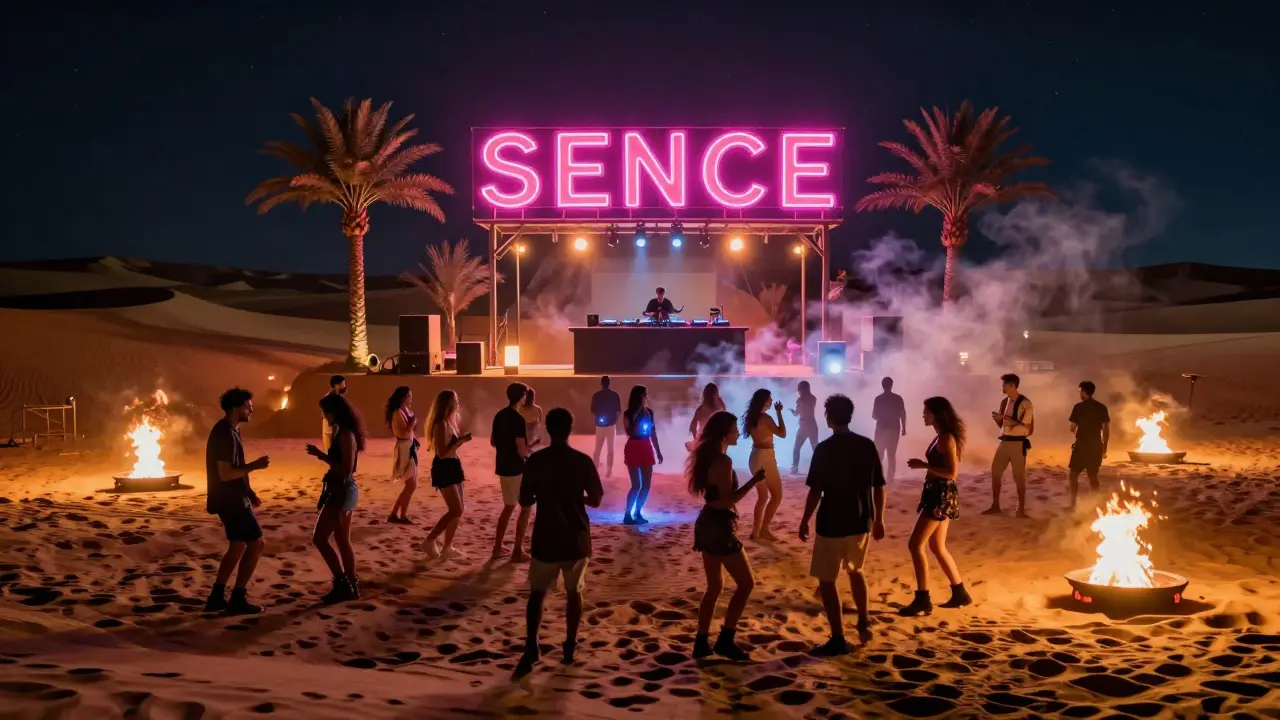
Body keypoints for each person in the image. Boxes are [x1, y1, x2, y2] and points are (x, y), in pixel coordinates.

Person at [513, 408, 605, 678]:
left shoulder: (537, 461)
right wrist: (578, 501)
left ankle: (532, 646)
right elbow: (597, 499)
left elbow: (525, 500)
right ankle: (569, 644)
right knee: (574, 593)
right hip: (575, 536)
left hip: (546, 536)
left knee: (537, 594)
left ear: (548, 431)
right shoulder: (582, 461)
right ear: (571, 429)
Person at [798, 394, 886, 655]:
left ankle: (838, 637)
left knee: (827, 581)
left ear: (828, 418)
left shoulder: (824, 449)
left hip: (831, 523)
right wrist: (879, 519)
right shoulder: (866, 445)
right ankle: (863, 619)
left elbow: (815, 491)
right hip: (860, 521)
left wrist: (805, 520)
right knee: (856, 571)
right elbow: (879, 486)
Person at [689, 411, 766, 661]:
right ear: (725, 433)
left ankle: (701, 643)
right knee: (746, 584)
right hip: (719, 526)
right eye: (734, 429)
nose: (738, 433)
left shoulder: (710, 457)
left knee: (715, 586)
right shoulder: (722, 461)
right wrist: (753, 481)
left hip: (707, 522)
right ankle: (726, 639)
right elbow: (727, 500)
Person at [899, 397, 971, 616]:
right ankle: (959, 592)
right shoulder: (940, 436)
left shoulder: (946, 438)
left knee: (915, 545)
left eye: (926, 412)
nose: (923, 415)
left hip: (940, 495)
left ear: (937, 414)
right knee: (937, 547)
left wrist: (924, 465)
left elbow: (952, 473)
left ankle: (923, 598)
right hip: (935, 492)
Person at [204, 388, 270, 615]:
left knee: (239, 544)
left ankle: (217, 596)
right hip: (229, 499)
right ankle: (237, 598)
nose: (251, 409)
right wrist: (255, 466)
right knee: (257, 543)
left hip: (233, 497)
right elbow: (225, 473)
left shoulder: (232, 430)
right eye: (247, 406)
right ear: (235, 408)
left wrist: (249, 492)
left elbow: (236, 469)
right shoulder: (223, 433)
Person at [305, 393, 366, 602]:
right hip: (339, 489)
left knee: (320, 538)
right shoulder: (341, 432)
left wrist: (322, 457)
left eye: (325, 412)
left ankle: (342, 582)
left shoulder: (346, 435)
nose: (324, 416)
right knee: (341, 540)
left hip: (342, 491)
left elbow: (346, 469)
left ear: (334, 412)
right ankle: (350, 586)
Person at [422, 390, 473, 559]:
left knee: (459, 509)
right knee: (455, 509)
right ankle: (429, 540)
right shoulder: (440, 424)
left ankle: (447, 546)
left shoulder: (450, 421)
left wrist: (459, 441)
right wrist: (460, 441)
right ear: (447, 403)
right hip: (444, 466)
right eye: (455, 400)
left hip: (454, 464)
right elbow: (442, 452)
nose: (457, 403)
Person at [985, 373, 1034, 518]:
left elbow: (1025, 424)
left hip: (1018, 443)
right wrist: (998, 419)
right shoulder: (1004, 402)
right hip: (1004, 441)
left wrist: (1003, 418)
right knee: (995, 472)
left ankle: (1021, 509)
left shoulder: (1026, 403)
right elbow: (1002, 425)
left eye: (1004, 385)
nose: (1002, 387)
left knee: (1018, 477)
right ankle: (995, 505)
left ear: (1012, 386)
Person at [492, 383, 532, 560]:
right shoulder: (518, 418)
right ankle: (517, 549)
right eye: (525, 395)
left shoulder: (499, 415)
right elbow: (521, 449)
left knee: (508, 507)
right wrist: (530, 456)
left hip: (502, 466)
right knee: (526, 508)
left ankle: (497, 548)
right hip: (517, 467)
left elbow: (493, 441)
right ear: (522, 396)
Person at [743, 388, 786, 540]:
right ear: (763, 401)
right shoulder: (765, 418)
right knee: (776, 495)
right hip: (765, 457)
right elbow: (782, 433)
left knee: (762, 497)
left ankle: (756, 531)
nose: (771, 402)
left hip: (755, 456)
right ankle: (764, 529)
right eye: (769, 399)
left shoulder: (751, 417)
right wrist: (779, 413)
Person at [622, 385, 664, 524]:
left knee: (646, 485)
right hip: (634, 445)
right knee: (636, 485)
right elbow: (630, 431)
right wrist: (638, 410)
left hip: (646, 446)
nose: (646, 397)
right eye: (644, 394)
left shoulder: (649, 412)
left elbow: (653, 433)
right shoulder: (628, 413)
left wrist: (658, 451)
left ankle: (638, 512)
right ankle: (627, 514)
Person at [1068, 381, 1110, 508]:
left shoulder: (1078, 407)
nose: (1079, 393)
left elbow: (1072, 427)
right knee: (1093, 475)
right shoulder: (1101, 407)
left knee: (1073, 474)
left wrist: (1077, 434)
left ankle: (1073, 503)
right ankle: (1095, 503)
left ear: (1083, 391)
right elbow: (1106, 430)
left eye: (1080, 391)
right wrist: (1104, 447)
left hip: (1081, 445)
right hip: (1096, 445)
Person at [386, 386, 420, 524]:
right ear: (402, 398)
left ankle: (396, 514)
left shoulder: (404, 411)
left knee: (411, 485)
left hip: (410, 447)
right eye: (409, 396)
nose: (411, 398)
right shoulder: (397, 413)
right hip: (405, 448)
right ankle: (400, 515)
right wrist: (413, 422)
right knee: (411, 484)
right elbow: (405, 432)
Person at [871, 377, 907, 482]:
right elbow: (902, 414)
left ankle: (878, 477)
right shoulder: (898, 398)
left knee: (879, 454)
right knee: (891, 455)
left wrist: (882, 418)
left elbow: (874, 415)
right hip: (894, 429)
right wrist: (904, 427)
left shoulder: (878, 399)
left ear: (882, 385)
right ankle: (890, 479)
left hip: (881, 429)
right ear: (891, 385)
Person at [590, 375, 622, 478]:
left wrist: (598, 419)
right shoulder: (615, 395)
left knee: (598, 448)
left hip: (600, 425)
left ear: (601, 383)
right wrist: (614, 421)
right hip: (610, 425)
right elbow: (618, 411)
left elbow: (593, 411)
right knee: (610, 449)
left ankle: (595, 468)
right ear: (609, 383)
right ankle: (609, 471)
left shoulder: (596, 395)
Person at [790, 381, 819, 474]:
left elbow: (797, 413)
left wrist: (792, 411)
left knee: (797, 447)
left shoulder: (800, 400)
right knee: (815, 447)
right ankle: (821, 467)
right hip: (812, 424)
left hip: (804, 425)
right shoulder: (813, 398)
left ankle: (795, 467)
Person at [687, 382, 726, 451]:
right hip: (708, 440)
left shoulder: (719, 406)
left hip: (714, 440)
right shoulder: (702, 409)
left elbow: (693, 426)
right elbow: (693, 426)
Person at [321, 375, 346, 450]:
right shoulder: (329, 398)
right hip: (331, 431)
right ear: (336, 385)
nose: (344, 386)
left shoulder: (338, 397)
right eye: (343, 384)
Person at [519, 386, 545, 450]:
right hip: (525, 441)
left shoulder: (537, 409)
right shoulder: (537, 409)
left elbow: (539, 429)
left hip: (529, 441)